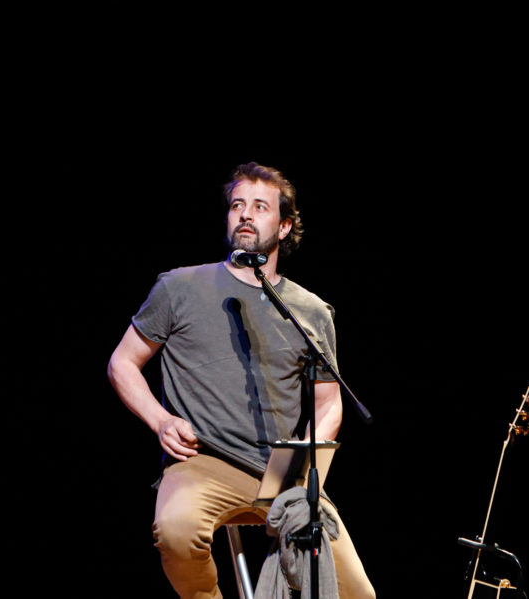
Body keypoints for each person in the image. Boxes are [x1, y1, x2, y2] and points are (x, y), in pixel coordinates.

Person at [107, 163, 376, 599]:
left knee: (356, 592)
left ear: (284, 227)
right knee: (176, 532)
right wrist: (161, 420)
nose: (245, 214)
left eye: (260, 207)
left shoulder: (310, 311)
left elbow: (329, 402)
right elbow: (122, 363)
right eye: (237, 205)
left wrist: (303, 458)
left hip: (281, 473)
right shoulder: (180, 287)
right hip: (204, 460)